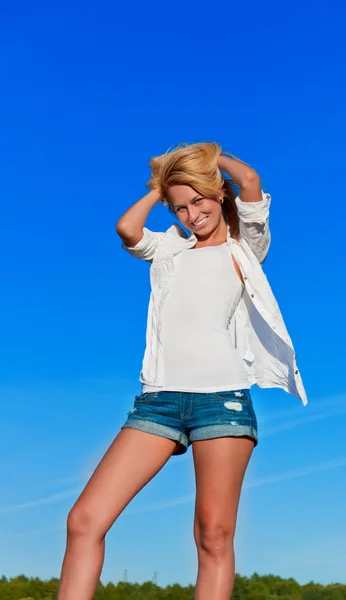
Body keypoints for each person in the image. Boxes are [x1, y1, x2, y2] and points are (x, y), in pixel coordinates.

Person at [57, 142, 307, 600]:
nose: (193, 214)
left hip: (223, 402)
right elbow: (127, 229)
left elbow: (249, 181)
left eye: (199, 200)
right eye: (181, 208)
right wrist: (160, 186)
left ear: (217, 195)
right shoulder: (170, 249)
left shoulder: (244, 248)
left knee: (212, 534)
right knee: (84, 520)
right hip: (159, 401)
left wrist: (208, 155)